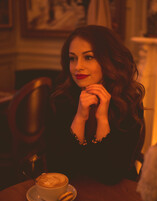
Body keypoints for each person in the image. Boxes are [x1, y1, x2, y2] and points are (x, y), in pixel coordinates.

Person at [46, 25, 145, 185]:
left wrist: (102, 119)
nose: (78, 66)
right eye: (72, 58)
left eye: (88, 57)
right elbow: (60, 170)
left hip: (117, 194)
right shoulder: (59, 99)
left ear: (109, 60)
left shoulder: (128, 102)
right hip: (71, 193)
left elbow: (111, 175)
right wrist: (80, 117)